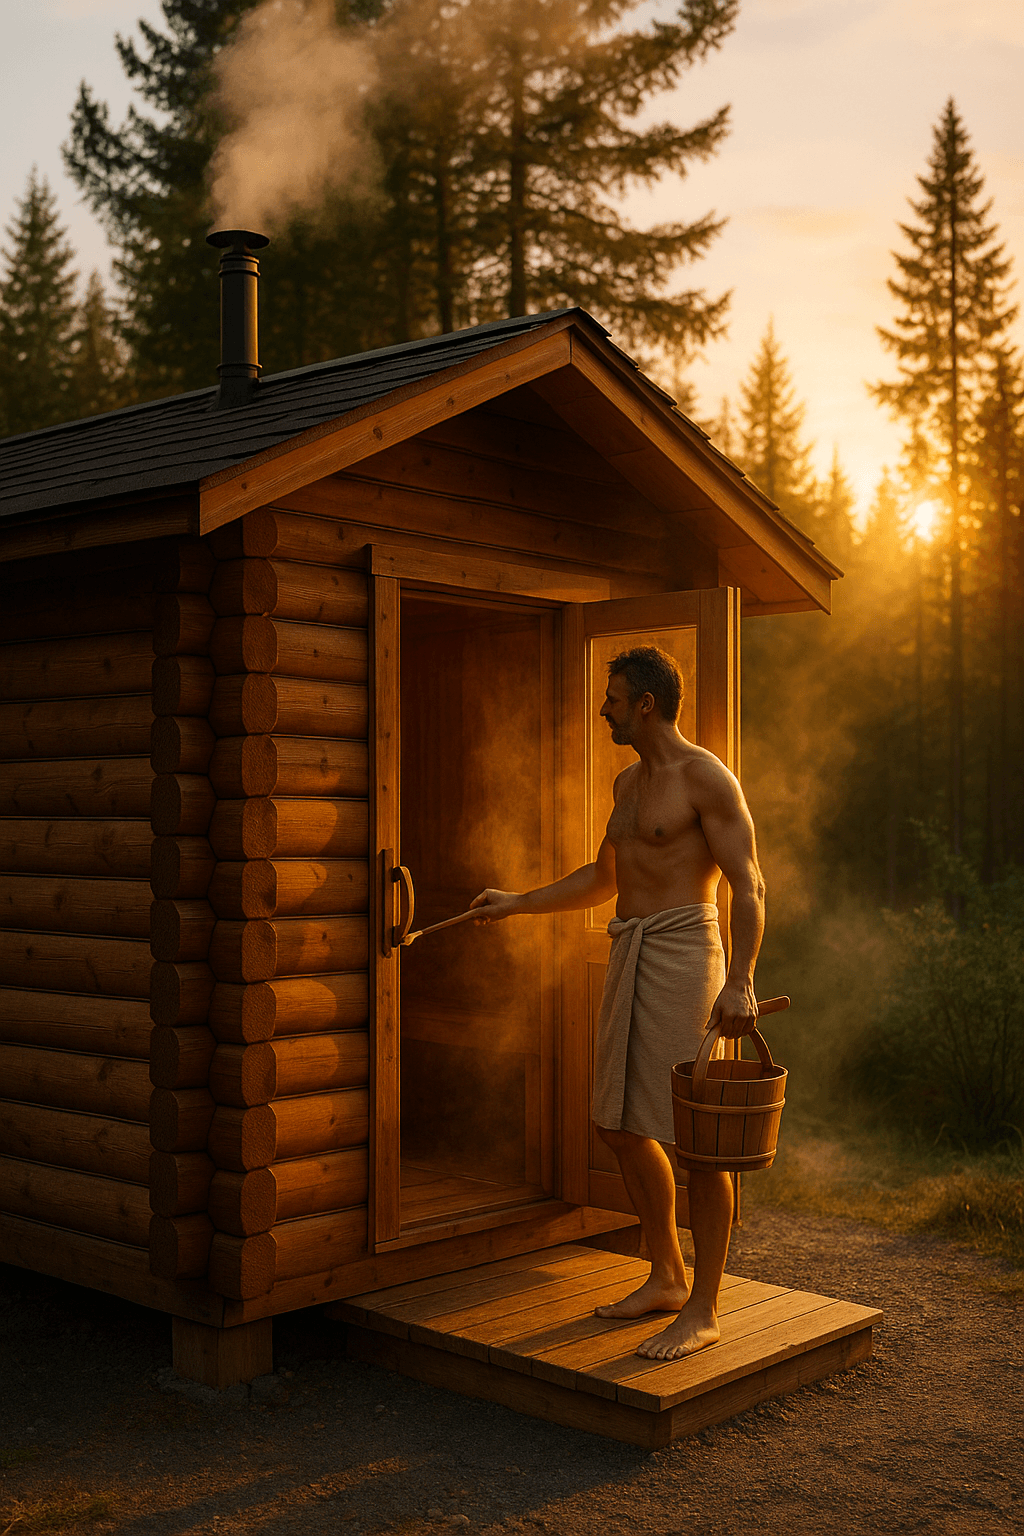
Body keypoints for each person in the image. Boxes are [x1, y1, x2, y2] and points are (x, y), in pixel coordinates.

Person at [470, 644, 765, 1362]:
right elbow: (604, 877)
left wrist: (742, 980)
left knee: (700, 1141)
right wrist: (518, 904)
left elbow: (749, 885)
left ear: (645, 704)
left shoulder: (707, 779)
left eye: (612, 696)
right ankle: (667, 1272)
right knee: (618, 1123)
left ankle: (705, 1308)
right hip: (631, 950)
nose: (602, 707)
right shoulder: (626, 782)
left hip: (690, 956)